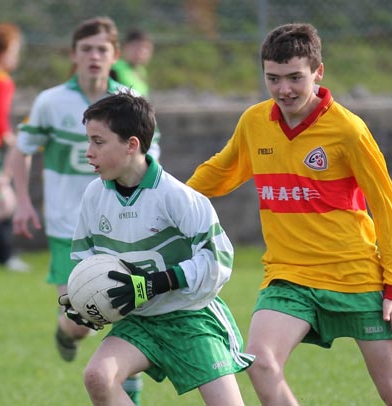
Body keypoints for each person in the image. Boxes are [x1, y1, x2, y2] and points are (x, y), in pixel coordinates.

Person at [186, 23, 392, 405]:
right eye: (273, 79)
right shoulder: (255, 122)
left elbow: (386, 208)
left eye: (295, 77)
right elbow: (220, 172)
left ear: (318, 72)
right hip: (289, 276)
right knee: (259, 362)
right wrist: (168, 197)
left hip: (355, 276)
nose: (283, 90)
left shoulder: (349, 130)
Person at [58, 91, 254, 406]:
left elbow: (219, 259)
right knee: (97, 376)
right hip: (140, 321)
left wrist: (155, 283)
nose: (88, 152)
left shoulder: (176, 196)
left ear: (131, 144)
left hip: (190, 318)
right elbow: (86, 260)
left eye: (98, 142)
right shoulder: (95, 196)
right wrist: (85, 300)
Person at [10, 16, 159, 404]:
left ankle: (130, 390)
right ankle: (65, 331)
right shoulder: (51, 102)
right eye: (86, 49)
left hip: (123, 225)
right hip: (68, 228)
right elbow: (20, 150)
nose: (94, 56)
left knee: (125, 309)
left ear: (114, 55)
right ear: (73, 55)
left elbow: (149, 157)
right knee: (82, 324)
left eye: (102, 49)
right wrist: (23, 201)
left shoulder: (129, 99)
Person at [0, 22, 29, 272]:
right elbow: (0, 120)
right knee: (5, 203)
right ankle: (6, 256)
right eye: (15, 49)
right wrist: (11, 138)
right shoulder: (3, 80)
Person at [110, 28, 153, 97]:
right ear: (125, 47)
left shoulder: (141, 71)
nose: (141, 52)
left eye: (146, 48)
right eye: (136, 47)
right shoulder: (113, 69)